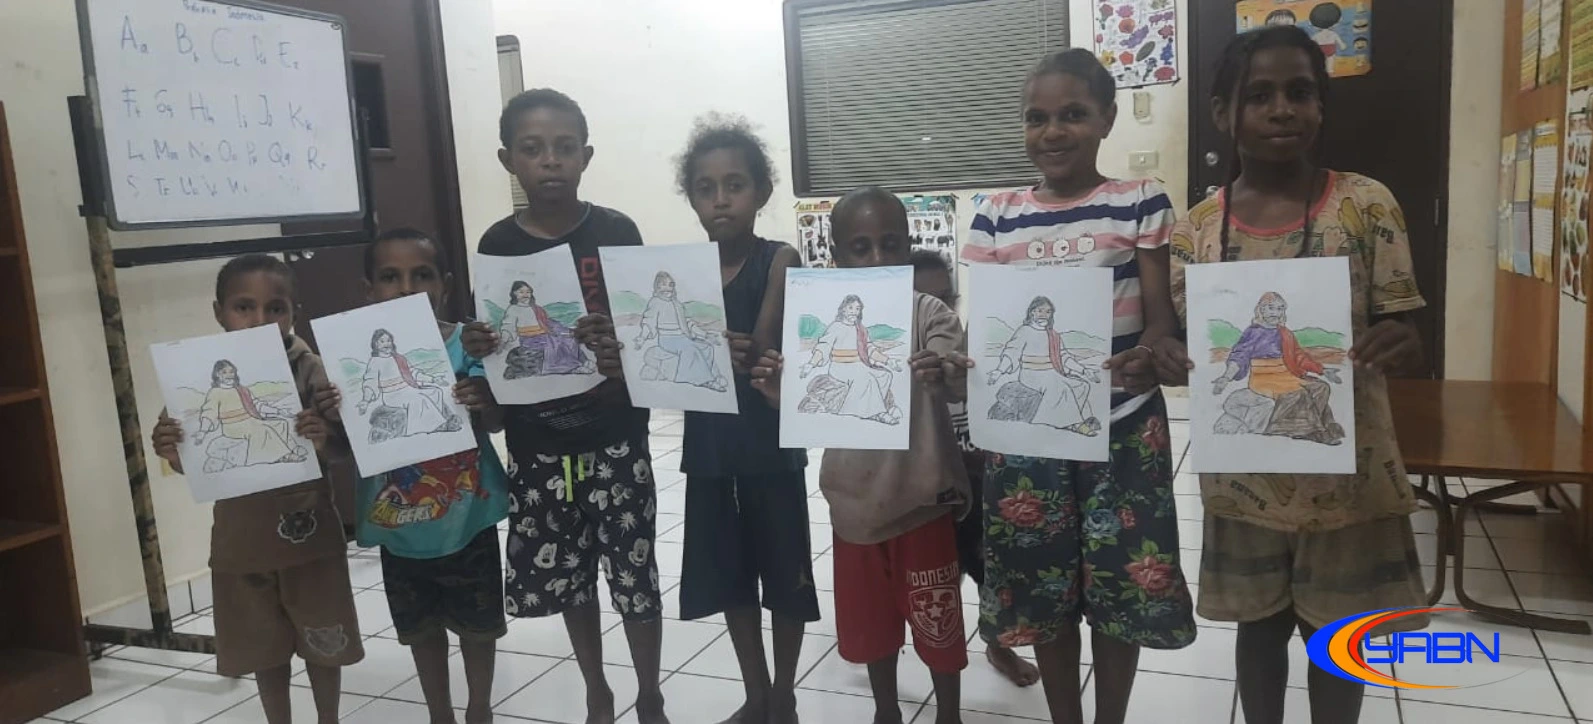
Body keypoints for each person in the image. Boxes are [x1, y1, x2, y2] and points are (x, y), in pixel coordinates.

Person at [1152, 25, 1428, 724]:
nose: (1282, 109)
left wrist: (1401, 342)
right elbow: (1195, 352)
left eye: (1300, 93)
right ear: (1223, 113)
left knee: (1338, 641)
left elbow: (1406, 330)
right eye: (1259, 96)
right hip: (1243, 485)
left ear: (1320, 106)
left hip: (1348, 485)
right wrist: (1166, 357)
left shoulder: (1365, 204)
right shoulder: (1195, 231)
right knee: (1258, 630)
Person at [959, 48, 1196, 724]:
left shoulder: (1138, 201)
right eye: (1036, 118)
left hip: (1125, 426)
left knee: (1122, 586)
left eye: (1072, 115)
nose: (1052, 131)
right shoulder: (995, 214)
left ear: (1106, 120)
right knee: (1043, 587)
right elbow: (988, 332)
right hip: (1026, 438)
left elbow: (1159, 315)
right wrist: (964, 374)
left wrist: (1153, 351)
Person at [463, 88, 669, 724]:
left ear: (586, 156)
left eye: (563, 147)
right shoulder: (497, 244)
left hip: (616, 436)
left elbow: (642, 327)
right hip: (538, 446)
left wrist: (618, 340)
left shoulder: (616, 232)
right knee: (571, 578)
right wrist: (481, 344)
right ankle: (595, 688)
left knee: (635, 576)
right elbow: (495, 336)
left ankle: (650, 693)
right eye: (532, 149)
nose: (549, 160)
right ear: (508, 160)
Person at [750, 188, 970, 724]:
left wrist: (941, 367)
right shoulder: (820, 316)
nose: (876, 259)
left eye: (890, 244)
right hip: (853, 509)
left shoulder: (929, 312)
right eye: (860, 247)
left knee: (938, 624)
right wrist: (778, 390)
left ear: (909, 246)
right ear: (836, 256)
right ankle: (885, 710)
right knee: (871, 629)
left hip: (921, 503)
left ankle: (949, 714)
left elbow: (957, 372)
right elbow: (804, 385)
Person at [150, 254, 362, 724]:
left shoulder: (311, 368)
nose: (260, 319)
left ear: (294, 313)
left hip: (309, 538)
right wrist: (170, 448)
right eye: (244, 307)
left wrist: (323, 436)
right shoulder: (195, 372)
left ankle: (328, 718)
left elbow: (342, 450)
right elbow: (192, 457)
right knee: (265, 649)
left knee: (325, 641)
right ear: (219, 312)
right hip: (241, 542)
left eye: (275, 308)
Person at [316, 229, 509, 724]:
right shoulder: (349, 360)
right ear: (369, 289)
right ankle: (439, 713)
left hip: (467, 518)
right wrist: (334, 414)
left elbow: (495, 421)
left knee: (479, 627)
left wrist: (483, 399)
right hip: (400, 527)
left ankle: (480, 709)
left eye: (421, 275)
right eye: (390, 277)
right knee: (421, 630)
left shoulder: (467, 344)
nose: (406, 288)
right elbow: (342, 445)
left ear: (445, 284)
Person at [670, 114, 817, 724]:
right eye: (706, 188)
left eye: (735, 185)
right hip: (709, 448)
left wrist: (712, 348)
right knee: (731, 578)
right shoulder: (681, 273)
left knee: (785, 577)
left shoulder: (780, 258)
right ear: (692, 198)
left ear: (761, 191)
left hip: (770, 444)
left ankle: (783, 695)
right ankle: (755, 694)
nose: (721, 199)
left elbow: (761, 348)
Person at [910, 250, 1041, 690]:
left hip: (983, 487)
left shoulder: (984, 350)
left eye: (946, 299)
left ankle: (998, 644)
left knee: (993, 573)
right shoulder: (901, 366)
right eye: (923, 299)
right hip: (929, 493)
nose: (937, 310)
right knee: (937, 579)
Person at [1211, 291, 1345, 444]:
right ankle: (1312, 431)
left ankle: (1313, 426)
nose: (1275, 312)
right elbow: (1239, 357)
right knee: (1298, 394)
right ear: (1261, 309)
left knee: (1321, 388)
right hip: (1264, 378)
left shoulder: (1285, 333)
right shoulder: (1253, 333)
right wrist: (1226, 377)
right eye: (1271, 308)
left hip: (1286, 374)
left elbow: (1298, 356)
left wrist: (1322, 370)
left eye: (1280, 308)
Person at [797, 294, 903, 424]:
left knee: (884, 375)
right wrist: (811, 364)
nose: (854, 311)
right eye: (851, 308)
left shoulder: (861, 330)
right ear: (843, 309)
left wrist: (888, 361)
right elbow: (823, 347)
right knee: (866, 378)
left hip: (859, 364)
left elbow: (870, 349)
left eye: (857, 309)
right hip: (840, 367)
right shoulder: (835, 327)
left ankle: (869, 409)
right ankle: (878, 413)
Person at [195, 359, 308, 472]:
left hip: (250, 419)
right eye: (224, 372)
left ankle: (291, 448)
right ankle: (283, 456)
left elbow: (257, 405)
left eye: (231, 371)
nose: (229, 375)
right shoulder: (215, 393)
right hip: (233, 426)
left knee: (280, 423)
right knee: (262, 429)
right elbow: (209, 412)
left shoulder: (242, 390)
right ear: (217, 374)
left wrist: (279, 411)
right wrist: (203, 431)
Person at [358, 328, 463, 441]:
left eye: (388, 340)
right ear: (375, 344)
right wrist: (365, 400)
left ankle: (440, 419)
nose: (386, 344)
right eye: (382, 341)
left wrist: (433, 379)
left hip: (408, 388)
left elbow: (413, 373)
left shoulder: (399, 358)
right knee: (418, 399)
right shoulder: (375, 362)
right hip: (392, 395)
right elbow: (370, 382)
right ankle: (433, 426)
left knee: (435, 391)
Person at [635, 271, 728, 391]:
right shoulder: (655, 302)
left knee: (706, 347)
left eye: (671, 285)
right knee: (691, 349)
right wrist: (642, 337)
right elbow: (649, 321)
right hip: (668, 339)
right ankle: (705, 380)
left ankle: (713, 375)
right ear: (657, 287)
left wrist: (705, 335)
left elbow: (687, 323)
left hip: (683, 337)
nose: (668, 288)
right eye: (663, 285)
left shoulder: (677, 304)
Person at [498, 280, 594, 378]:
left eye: (528, 292)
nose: (525, 295)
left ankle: (584, 361)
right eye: (521, 292)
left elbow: (547, 323)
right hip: (530, 340)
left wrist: (563, 331)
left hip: (544, 335)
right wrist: (504, 340)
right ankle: (573, 367)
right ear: (514, 293)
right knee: (556, 345)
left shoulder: (536, 308)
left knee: (569, 340)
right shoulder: (513, 309)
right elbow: (508, 326)